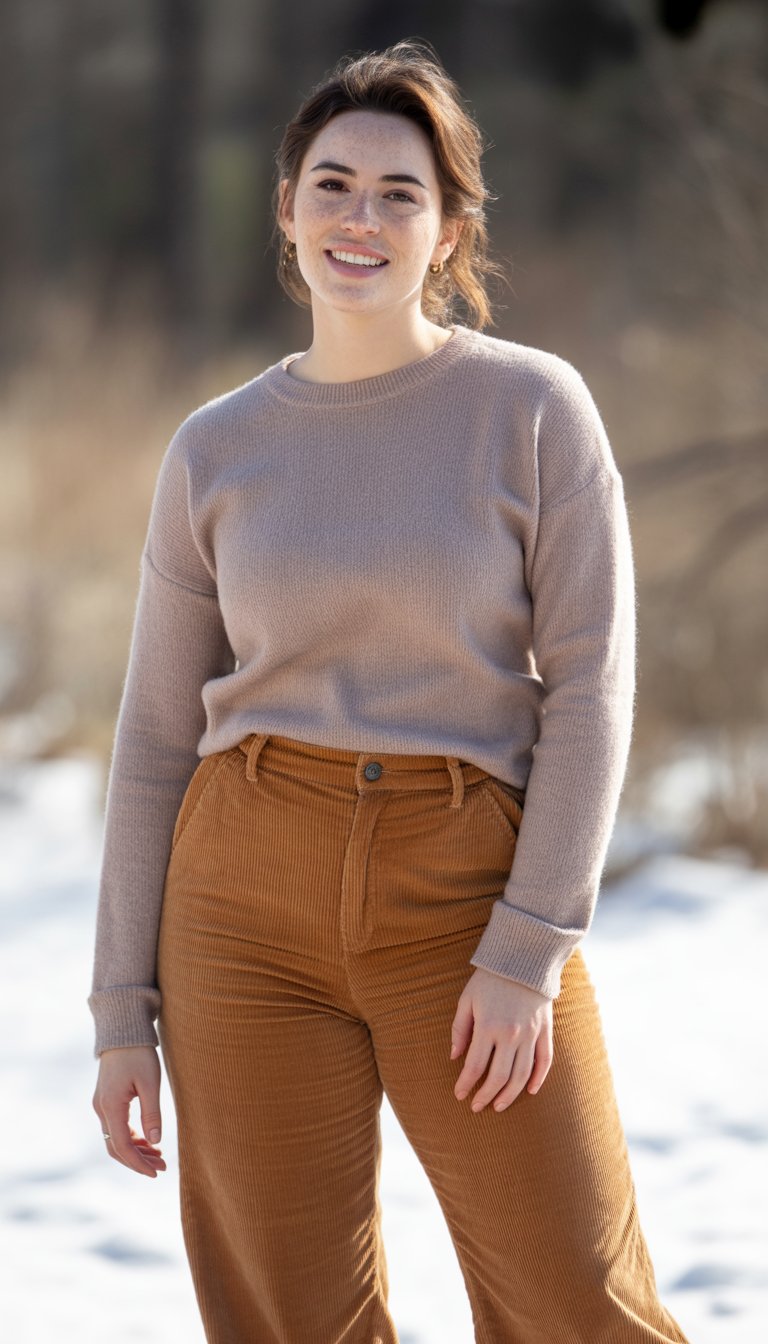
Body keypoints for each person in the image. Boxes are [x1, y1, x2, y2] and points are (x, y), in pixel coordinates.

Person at [89, 38, 690, 1344]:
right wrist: (119, 1017)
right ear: (289, 212)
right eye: (332, 184)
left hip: (468, 883)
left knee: (583, 1307)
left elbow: (590, 693)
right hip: (240, 890)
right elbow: (150, 739)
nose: (360, 218)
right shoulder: (218, 448)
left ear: (450, 225)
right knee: (291, 1318)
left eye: (398, 193)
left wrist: (528, 950)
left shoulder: (533, 408)